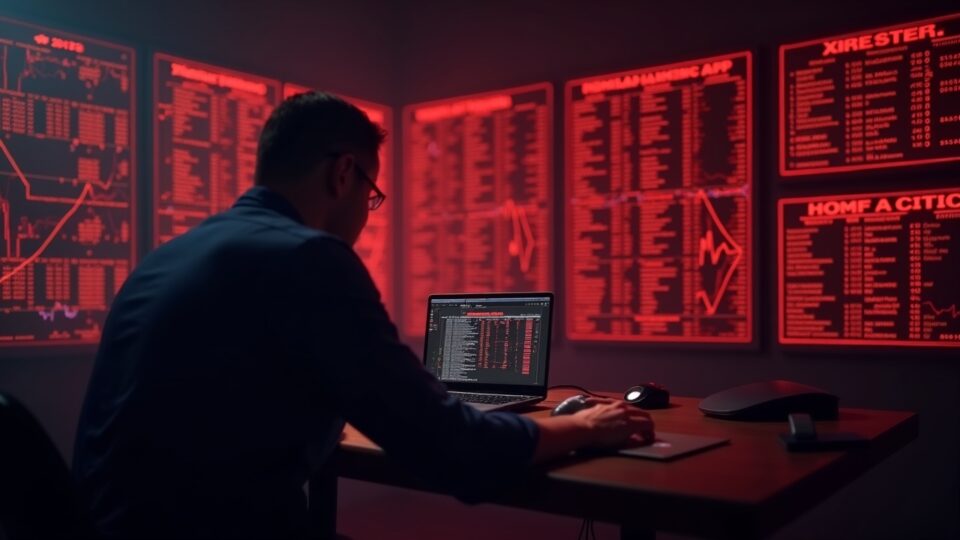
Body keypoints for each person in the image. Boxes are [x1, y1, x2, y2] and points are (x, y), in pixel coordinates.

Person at [73, 91, 654, 539]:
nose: (367, 213)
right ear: (343, 173)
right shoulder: (309, 256)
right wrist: (582, 426)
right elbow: (450, 449)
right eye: (371, 195)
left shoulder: (167, 256)